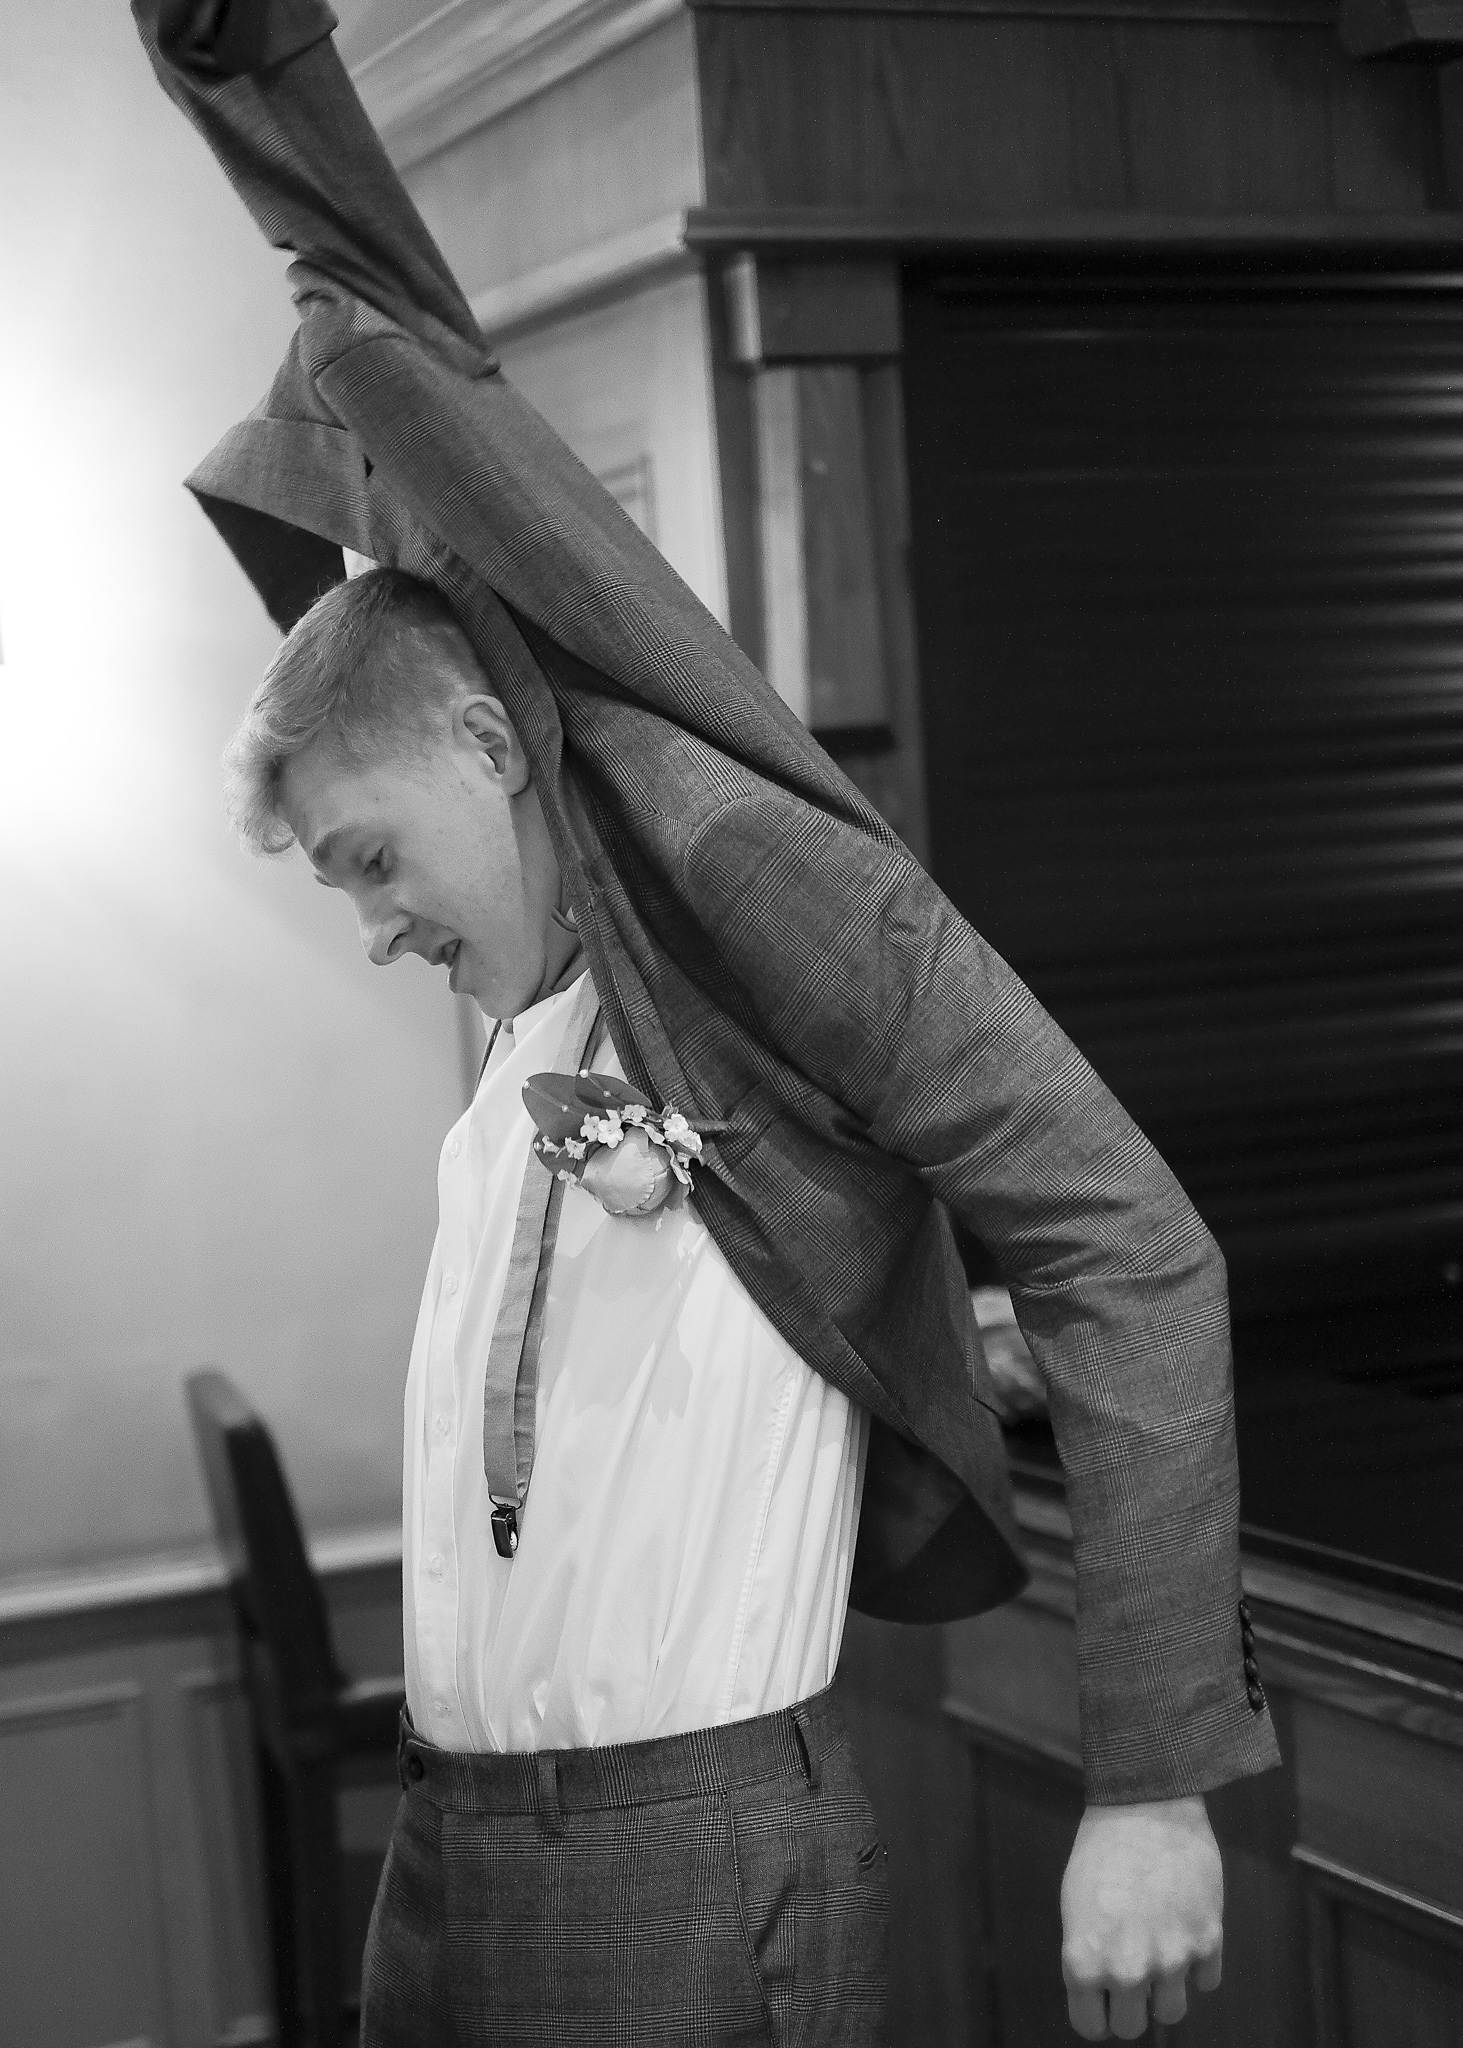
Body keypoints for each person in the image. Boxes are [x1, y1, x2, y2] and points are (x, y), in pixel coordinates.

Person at [134, 2, 1280, 2040]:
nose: (375, 929)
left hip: (678, 1870)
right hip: (451, 1849)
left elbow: (1130, 1240)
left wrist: (1152, 1778)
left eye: (374, 861)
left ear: (494, 740)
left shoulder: (738, 877)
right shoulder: (524, 970)